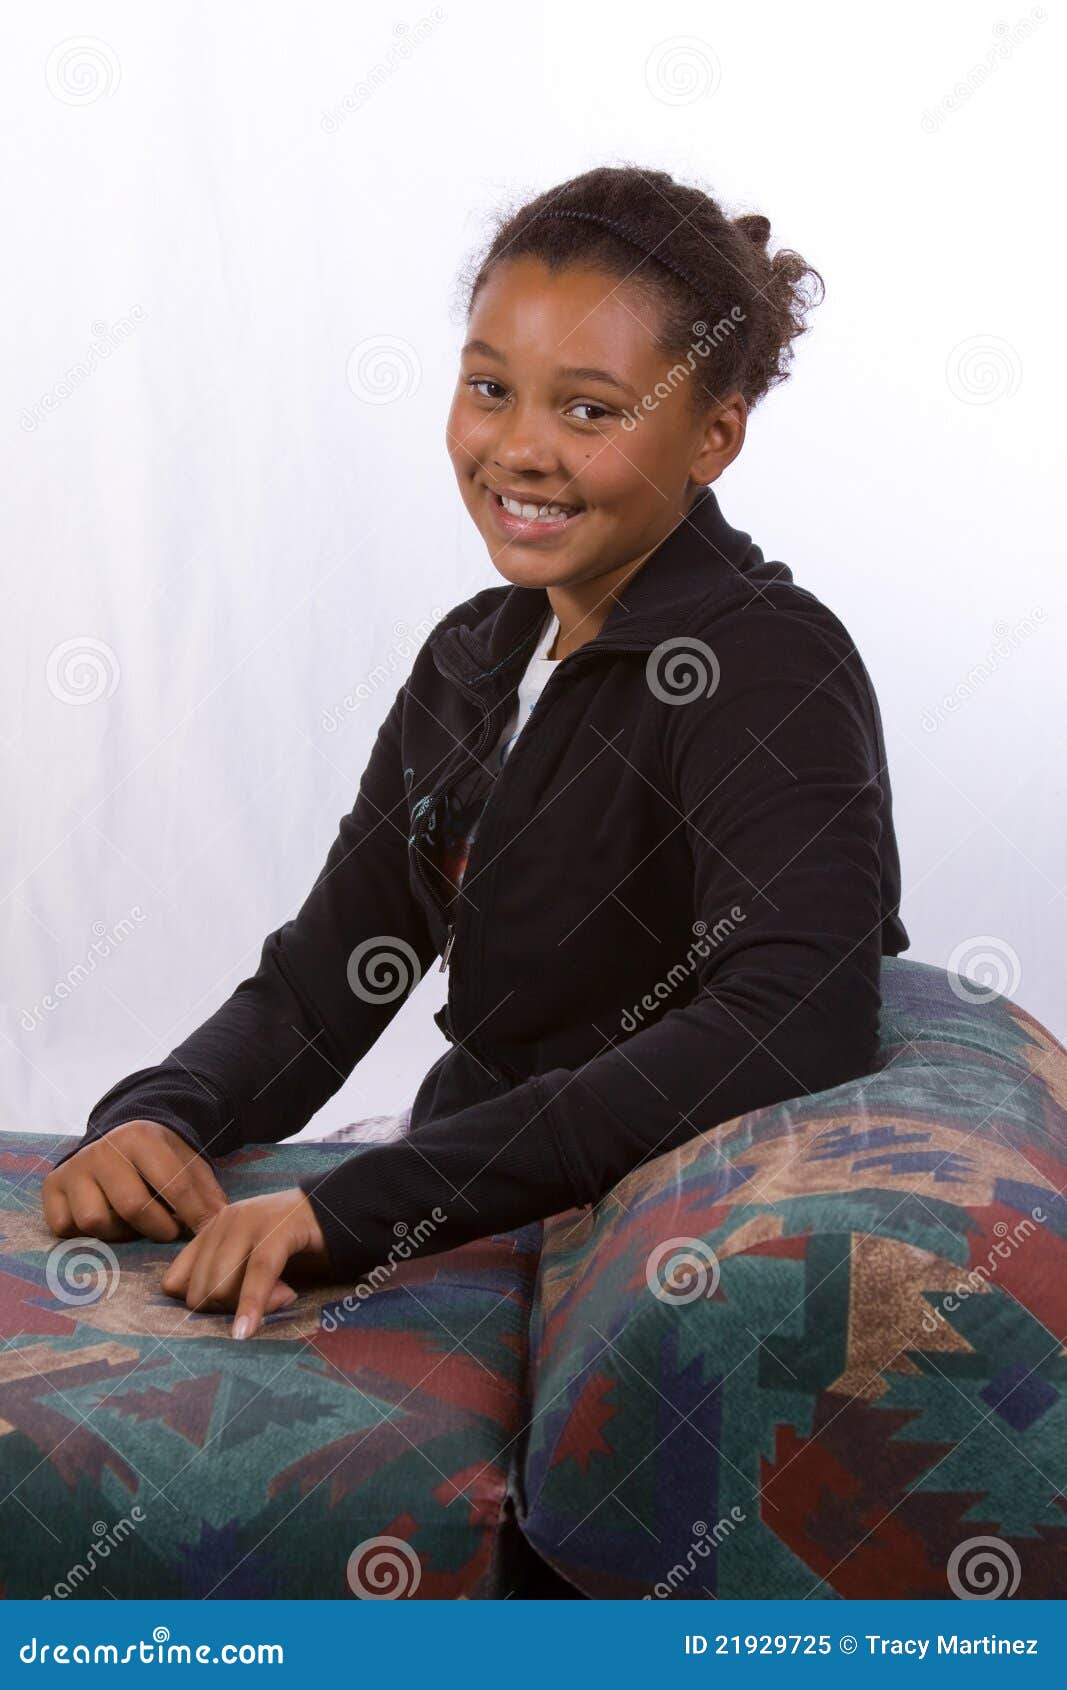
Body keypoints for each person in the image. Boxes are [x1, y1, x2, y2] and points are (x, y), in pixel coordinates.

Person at [41, 164, 909, 1339]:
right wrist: (154, 1116)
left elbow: (788, 1015)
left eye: (590, 410)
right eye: (489, 388)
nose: (519, 449)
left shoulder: (769, 668)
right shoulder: (476, 655)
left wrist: (356, 1210)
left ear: (713, 435)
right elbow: (333, 973)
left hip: (545, 1240)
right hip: (441, 1174)